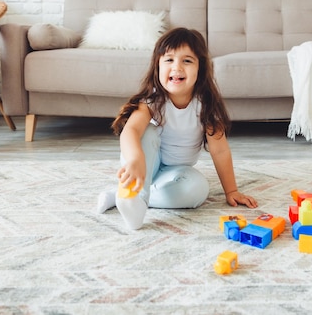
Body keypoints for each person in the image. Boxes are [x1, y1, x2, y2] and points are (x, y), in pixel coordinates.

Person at [97, 27, 258, 230]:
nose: (177, 67)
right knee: (146, 132)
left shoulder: (206, 106)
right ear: (157, 66)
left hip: (174, 174)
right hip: (145, 165)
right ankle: (133, 199)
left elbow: (220, 150)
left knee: (198, 190)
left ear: (200, 69)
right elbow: (130, 132)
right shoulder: (152, 102)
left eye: (187, 61)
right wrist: (136, 158)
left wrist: (231, 190)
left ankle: (125, 194)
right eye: (169, 60)